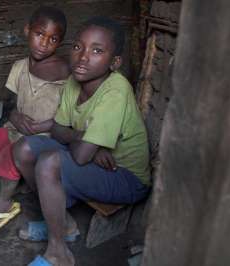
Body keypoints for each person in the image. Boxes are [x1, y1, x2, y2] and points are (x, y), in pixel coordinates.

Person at [13, 17, 151, 266]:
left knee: (48, 163)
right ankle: (63, 223)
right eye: (78, 47)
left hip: (125, 176)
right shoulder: (73, 83)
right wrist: (84, 140)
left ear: (115, 62)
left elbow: (79, 156)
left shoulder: (115, 91)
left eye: (97, 51)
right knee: (23, 148)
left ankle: (59, 253)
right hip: (94, 161)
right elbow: (58, 129)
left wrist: (87, 146)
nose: (84, 57)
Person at [0, 6, 70, 232]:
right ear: (27, 30)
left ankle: (4, 201)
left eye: (52, 39)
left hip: (46, 135)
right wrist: (15, 115)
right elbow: (11, 103)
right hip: (17, 128)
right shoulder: (19, 67)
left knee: (10, 152)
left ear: (60, 42)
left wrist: (41, 126)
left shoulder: (67, 74)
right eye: (39, 34)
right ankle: (11, 185)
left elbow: (70, 115)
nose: (44, 43)